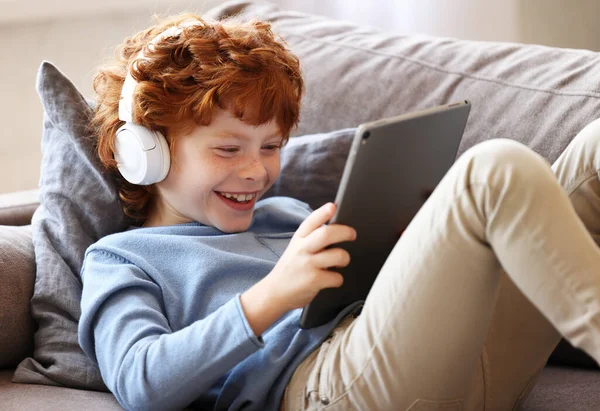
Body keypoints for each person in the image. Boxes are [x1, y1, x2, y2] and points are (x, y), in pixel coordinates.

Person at [78, 12, 600, 411]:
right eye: (229, 149)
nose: (257, 172)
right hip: (327, 389)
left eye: (271, 146)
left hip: (459, 368)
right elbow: (142, 381)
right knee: (494, 167)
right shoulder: (123, 259)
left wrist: (411, 249)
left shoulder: (285, 215)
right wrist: (273, 295)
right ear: (146, 153)